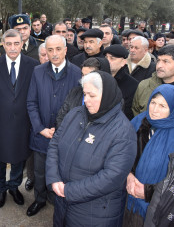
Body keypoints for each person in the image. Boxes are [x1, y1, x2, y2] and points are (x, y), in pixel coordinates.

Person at [46, 71, 137, 227]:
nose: (86, 100)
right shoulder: (75, 114)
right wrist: (54, 178)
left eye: (92, 96)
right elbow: (55, 144)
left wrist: (68, 191)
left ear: (107, 95)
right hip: (63, 201)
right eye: (85, 94)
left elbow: (111, 177)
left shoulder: (123, 132)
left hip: (95, 213)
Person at [26, 35, 81, 217]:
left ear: (66, 50)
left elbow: (79, 107)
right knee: (40, 172)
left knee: (61, 171)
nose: (54, 54)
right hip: (41, 135)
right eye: (50, 50)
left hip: (65, 136)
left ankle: (55, 198)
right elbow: (31, 102)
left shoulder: (77, 73)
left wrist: (63, 130)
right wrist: (40, 128)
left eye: (58, 49)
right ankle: (39, 199)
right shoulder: (38, 71)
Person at [0, 29, 39, 209]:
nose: (13, 48)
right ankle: (1, 188)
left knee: (19, 157)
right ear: (3, 44)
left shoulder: (33, 65)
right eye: (9, 44)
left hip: (23, 123)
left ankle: (14, 187)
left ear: (22, 43)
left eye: (16, 43)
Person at [123, 85, 174, 226]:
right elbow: (121, 153)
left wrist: (148, 192)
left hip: (158, 208)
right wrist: (128, 175)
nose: (155, 110)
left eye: (163, 106)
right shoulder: (139, 122)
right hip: (127, 199)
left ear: (173, 108)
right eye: (153, 103)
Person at [132, 45, 174, 116]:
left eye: (165, 61)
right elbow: (136, 112)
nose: (159, 65)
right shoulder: (144, 85)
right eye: (158, 61)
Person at [55, 57, 111, 129]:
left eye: (88, 75)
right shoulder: (74, 92)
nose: (84, 79)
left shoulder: (111, 99)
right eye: (83, 74)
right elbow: (61, 118)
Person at [104, 45, 139, 120]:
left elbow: (128, 113)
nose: (108, 61)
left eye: (112, 58)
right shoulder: (99, 77)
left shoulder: (132, 84)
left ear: (123, 62)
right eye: (106, 58)